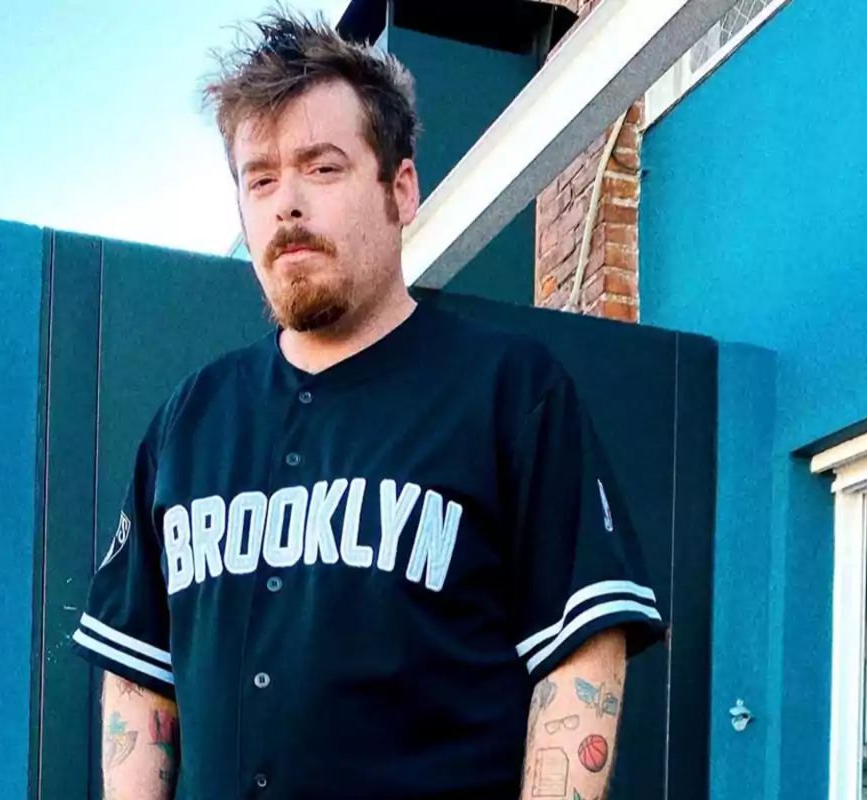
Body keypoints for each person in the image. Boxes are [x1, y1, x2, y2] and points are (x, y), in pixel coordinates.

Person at [71, 11, 665, 800]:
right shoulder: (190, 422)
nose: (287, 205)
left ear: (401, 188)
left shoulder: (511, 392)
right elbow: (140, 679)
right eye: (260, 179)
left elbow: (581, 659)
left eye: (322, 168)